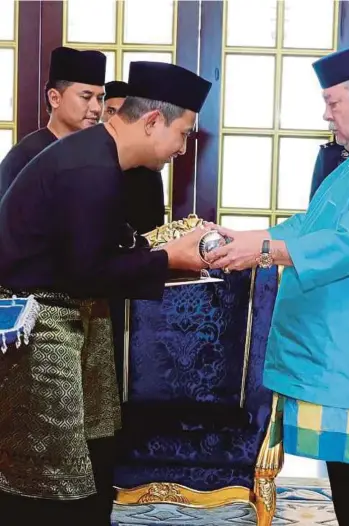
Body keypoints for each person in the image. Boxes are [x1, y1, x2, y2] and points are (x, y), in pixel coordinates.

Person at [206, 39, 349, 526]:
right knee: (346, 485)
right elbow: (311, 226)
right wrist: (247, 237)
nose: (328, 116)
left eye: (333, 103)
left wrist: (263, 252)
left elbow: (347, 244)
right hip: (337, 355)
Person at [0, 61, 212, 526]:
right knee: (49, 478)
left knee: (94, 452)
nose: (182, 147)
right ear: (153, 121)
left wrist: (156, 248)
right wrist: (170, 259)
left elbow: (102, 245)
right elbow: (88, 272)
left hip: (69, 314)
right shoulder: (89, 166)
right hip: (39, 327)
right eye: (183, 132)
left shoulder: (98, 156)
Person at [0, 46, 106, 200]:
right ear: (55, 98)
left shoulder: (99, 155)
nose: (97, 108)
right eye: (86, 97)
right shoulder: (25, 157)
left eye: (100, 98)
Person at [103, 80, 165, 233]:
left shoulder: (148, 168)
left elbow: (154, 229)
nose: (115, 119)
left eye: (122, 113)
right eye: (110, 111)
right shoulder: (85, 160)